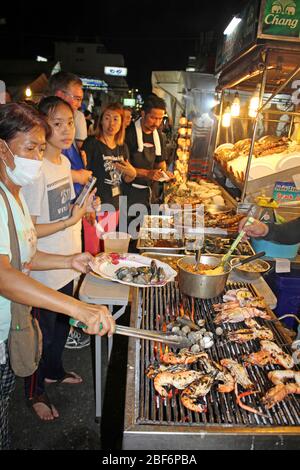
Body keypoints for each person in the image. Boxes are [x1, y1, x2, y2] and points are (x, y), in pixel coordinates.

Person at [0, 103, 115, 447]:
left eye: (39, 147)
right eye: (29, 148)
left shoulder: (13, 194)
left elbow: (28, 256)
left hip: (9, 330)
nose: (36, 157)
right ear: (2, 149)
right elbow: (3, 274)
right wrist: (76, 308)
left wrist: (69, 261)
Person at [21, 96, 98, 420]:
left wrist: (83, 208)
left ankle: (54, 371)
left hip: (67, 262)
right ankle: (34, 391)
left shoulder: (64, 163)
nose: (66, 130)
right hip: (44, 269)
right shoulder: (34, 172)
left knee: (62, 329)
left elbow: (63, 208)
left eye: (69, 122)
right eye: (57, 123)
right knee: (41, 336)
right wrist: (70, 219)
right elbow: (31, 228)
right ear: (42, 126)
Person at [82, 102, 136, 241]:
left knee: (107, 247)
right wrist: (88, 205)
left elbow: (125, 179)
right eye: (107, 118)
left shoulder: (122, 147)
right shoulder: (92, 143)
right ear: (100, 121)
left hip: (115, 205)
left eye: (116, 119)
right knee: (93, 248)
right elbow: (83, 176)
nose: (111, 123)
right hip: (95, 205)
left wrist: (132, 174)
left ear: (122, 123)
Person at [124, 94, 174, 212]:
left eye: (160, 119)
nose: (157, 123)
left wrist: (163, 173)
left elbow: (160, 162)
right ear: (143, 114)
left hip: (150, 192)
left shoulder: (159, 136)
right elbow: (124, 168)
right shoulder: (128, 134)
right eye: (153, 118)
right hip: (129, 192)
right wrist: (148, 173)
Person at [48, 72, 91, 195]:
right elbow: (40, 169)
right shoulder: (38, 125)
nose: (79, 105)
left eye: (70, 124)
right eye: (77, 99)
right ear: (60, 95)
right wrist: (77, 176)